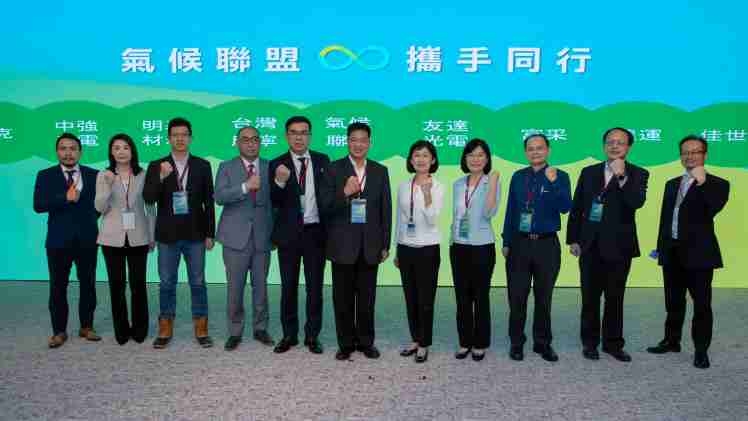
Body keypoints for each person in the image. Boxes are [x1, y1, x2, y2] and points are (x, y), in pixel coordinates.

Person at [647, 135, 729, 369]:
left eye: (695, 152)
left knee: (702, 304)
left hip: (699, 254)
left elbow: (711, 209)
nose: (689, 156)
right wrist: (661, 248)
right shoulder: (672, 184)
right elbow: (666, 219)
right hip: (671, 252)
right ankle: (671, 341)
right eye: (685, 152)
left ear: (705, 155)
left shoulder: (718, 184)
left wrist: (702, 183)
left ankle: (701, 350)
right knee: (673, 301)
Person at [567, 127, 649, 362]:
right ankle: (590, 342)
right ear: (604, 146)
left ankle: (613, 344)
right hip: (590, 245)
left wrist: (622, 177)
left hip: (619, 246)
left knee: (615, 298)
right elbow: (577, 207)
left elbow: (636, 202)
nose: (614, 146)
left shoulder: (638, 173)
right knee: (589, 298)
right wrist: (573, 239)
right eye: (610, 142)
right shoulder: (589, 172)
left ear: (628, 147)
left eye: (620, 142)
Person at [319, 122, 392, 361]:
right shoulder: (333, 169)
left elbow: (385, 210)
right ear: (347, 141)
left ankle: (366, 342)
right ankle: (346, 344)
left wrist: (385, 244)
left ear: (369, 143)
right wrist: (345, 193)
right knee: (342, 299)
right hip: (342, 245)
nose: (358, 144)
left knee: (367, 299)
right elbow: (324, 206)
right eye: (353, 139)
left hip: (370, 245)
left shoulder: (380, 170)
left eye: (363, 140)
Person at [143, 117, 216, 349]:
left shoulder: (203, 165)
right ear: (168, 138)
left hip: (196, 233)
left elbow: (209, 202)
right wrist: (161, 177)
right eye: (175, 135)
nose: (180, 139)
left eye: (184, 135)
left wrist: (210, 233)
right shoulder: (157, 165)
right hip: (167, 235)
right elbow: (148, 198)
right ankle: (165, 327)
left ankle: (201, 327)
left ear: (190, 138)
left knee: (198, 282)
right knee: (166, 282)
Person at [501, 133, 571, 362]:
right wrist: (506, 241)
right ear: (525, 152)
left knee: (544, 297)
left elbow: (565, 207)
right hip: (519, 243)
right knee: (517, 297)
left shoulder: (560, 175)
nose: (535, 152)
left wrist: (554, 183)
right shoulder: (518, 177)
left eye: (539, 148)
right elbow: (511, 210)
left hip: (546, 244)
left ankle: (542, 343)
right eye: (530, 149)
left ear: (548, 150)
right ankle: (516, 342)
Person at [33, 133, 101, 348]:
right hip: (58, 241)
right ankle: (59, 331)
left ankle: (87, 326)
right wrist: (64, 198)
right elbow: (38, 205)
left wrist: (89, 221)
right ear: (57, 152)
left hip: (87, 239)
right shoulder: (45, 175)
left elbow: (99, 206)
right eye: (63, 148)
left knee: (88, 284)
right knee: (58, 286)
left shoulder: (94, 175)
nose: (68, 153)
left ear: (80, 151)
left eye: (73, 148)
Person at [270, 116, 330, 354]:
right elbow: (273, 201)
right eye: (294, 133)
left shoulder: (323, 160)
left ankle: (312, 335)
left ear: (310, 136)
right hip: (289, 235)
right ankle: (289, 335)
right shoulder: (276, 163)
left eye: (303, 133)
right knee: (288, 287)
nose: (298, 137)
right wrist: (279, 181)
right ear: (287, 136)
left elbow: (328, 197)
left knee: (315, 289)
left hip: (315, 233)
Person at [215, 126, 275, 351]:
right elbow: (219, 196)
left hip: (262, 236)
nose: (251, 143)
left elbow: (276, 202)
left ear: (260, 142)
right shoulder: (226, 167)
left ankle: (261, 328)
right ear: (238, 143)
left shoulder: (270, 167)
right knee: (235, 288)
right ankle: (235, 331)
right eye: (245, 139)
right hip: (235, 238)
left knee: (261, 287)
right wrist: (244, 187)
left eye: (255, 139)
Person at [95, 134, 155, 345]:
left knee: (138, 284)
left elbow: (150, 208)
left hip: (139, 236)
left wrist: (152, 235)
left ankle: (140, 329)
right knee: (117, 285)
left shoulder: (143, 174)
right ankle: (121, 330)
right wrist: (107, 187)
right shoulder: (104, 175)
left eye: (126, 147)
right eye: (117, 148)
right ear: (111, 152)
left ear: (132, 151)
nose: (121, 152)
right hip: (111, 238)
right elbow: (99, 208)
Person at [449, 138, 501, 361]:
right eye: (471, 155)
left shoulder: (492, 181)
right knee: (462, 297)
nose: (475, 159)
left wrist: (493, 183)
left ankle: (480, 342)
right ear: (465, 158)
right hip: (459, 247)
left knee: (480, 296)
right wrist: (452, 240)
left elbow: (489, 212)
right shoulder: (458, 184)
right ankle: (464, 341)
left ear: (487, 159)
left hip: (482, 246)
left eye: (480, 155)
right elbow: (456, 215)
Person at [394, 140, 444, 363]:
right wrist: (397, 247)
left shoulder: (438, 186)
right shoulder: (404, 185)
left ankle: (424, 343)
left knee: (425, 299)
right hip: (406, 248)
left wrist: (427, 194)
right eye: (417, 155)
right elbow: (399, 218)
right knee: (410, 297)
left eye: (425, 155)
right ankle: (415, 339)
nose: (421, 159)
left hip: (428, 249)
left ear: (432, 160)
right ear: (411, 160)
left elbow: (432, 219)